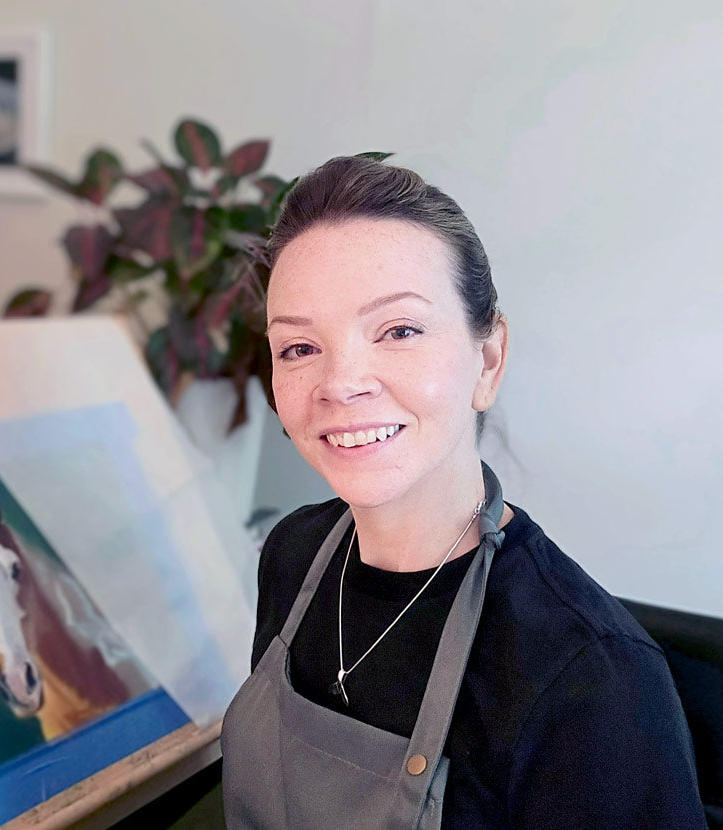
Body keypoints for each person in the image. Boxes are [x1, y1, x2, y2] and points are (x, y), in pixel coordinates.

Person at [220, 156, 705, 828]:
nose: (340, 384)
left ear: (489, 358)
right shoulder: (292, 553)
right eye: (299, 347)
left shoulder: (588, 675)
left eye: (398, 331)